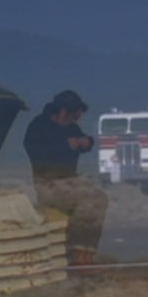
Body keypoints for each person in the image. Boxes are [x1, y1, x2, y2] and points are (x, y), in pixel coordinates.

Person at [23, 90, 108, 271]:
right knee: (83, 201)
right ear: (63, 112)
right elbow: (38, 151)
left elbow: (85, 142)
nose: (75, 121)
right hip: (47, 184)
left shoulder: (71, 128)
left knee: (100, 199)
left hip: (70, 181)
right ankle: (76, 254)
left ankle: (88, 253)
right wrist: (65, 145)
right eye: (74, 116)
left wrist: (85, 142)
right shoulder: (38, 126)